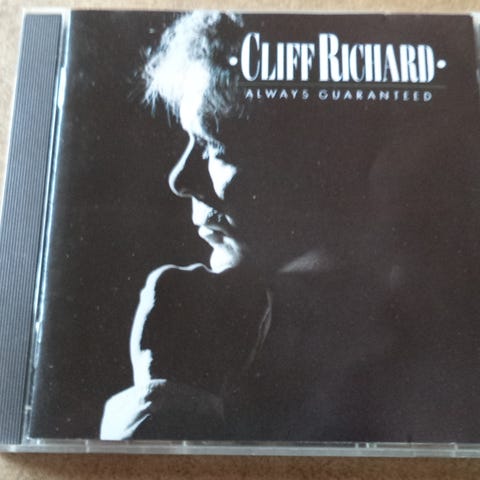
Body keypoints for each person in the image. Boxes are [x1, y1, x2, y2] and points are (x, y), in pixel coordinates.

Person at [100, 11, 480, 442]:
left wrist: (167, 395)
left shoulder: (436, 373)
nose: (179, 179)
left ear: (328, 163)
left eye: (215, 146)